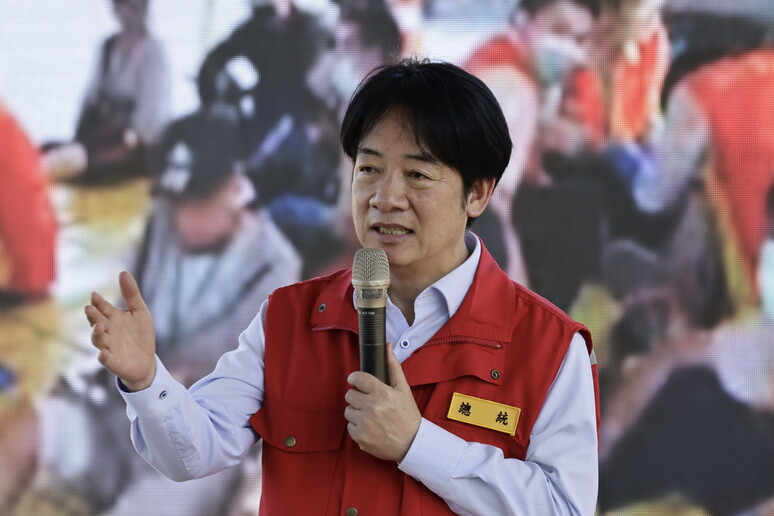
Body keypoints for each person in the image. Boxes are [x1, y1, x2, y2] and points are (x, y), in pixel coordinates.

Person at [85, 58, 600, 515]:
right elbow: (193, 453)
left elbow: (564, 508)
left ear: (478, 193)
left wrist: (417, 443)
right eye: (369, 168)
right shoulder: (289, 317)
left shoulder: (551, 348)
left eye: (417, 176)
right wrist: (146, 380)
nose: (385, 197)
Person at [45, 0, 172, 184]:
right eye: (131, 8)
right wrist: (81, 137)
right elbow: (91, 97)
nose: (138, 14)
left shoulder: (154, 52)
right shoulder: (108, 47)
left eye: (142, 7)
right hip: (104, 136)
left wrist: (127, 137)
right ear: (117, 9)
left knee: (93, 163)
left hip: (136, 145)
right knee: (50, 151)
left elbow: (151, 114)